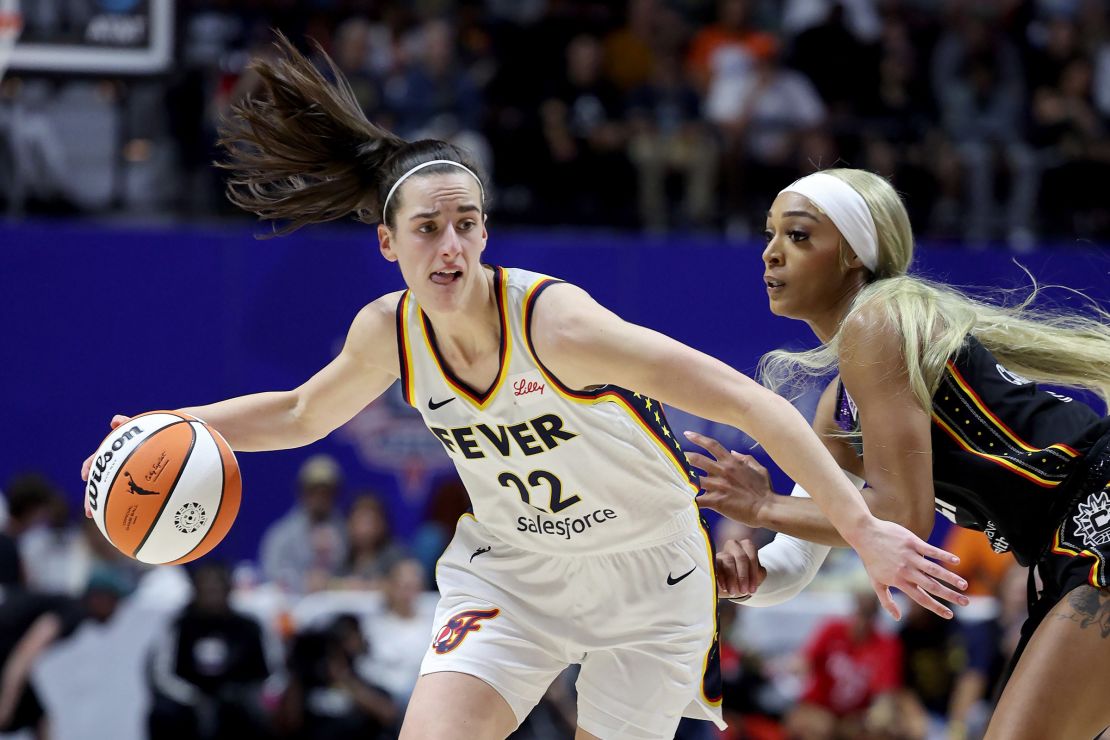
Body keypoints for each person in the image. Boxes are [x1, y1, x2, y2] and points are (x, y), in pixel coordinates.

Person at [82, 39, 963, 740]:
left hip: (650, 579)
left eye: (467, 224)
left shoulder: (556, 323)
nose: (451, 246)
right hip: (516, 574)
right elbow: (300, 412)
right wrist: (170, 421)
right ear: (389, 245)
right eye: (427, 230)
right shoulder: (387, 330)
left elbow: (752, 402)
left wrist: (867, 532)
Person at [687, 167, 1110, 739]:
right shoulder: (837, 408)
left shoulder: (880, 320)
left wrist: (763, 507)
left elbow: (899, 516)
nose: (771, 254)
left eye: (799, 235)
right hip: (1060, 549)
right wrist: (737, 577)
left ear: (854, 256)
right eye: (771, 234)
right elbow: (795, 562)